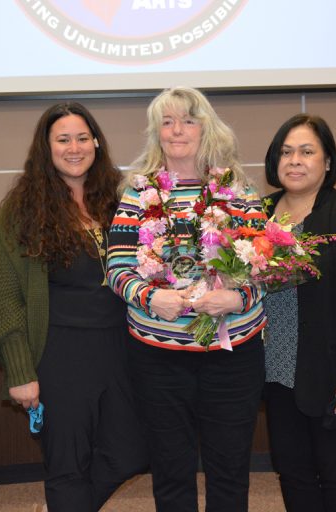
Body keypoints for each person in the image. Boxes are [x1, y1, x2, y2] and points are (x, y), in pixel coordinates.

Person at [106, 86, 267, 512]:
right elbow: (117, 269)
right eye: (168, 122)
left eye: (188, 120)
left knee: (229, 468)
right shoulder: (138, 193)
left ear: (206, 128)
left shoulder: (238, 191)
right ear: (156, 132)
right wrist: (150, 297)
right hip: (158, 358)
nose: (177, 130)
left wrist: (238, 298)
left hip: (232, 357)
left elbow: (267, 267)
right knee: (170, 468)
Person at [0, 102, 148, 511]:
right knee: (67, 465)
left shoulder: (120, 199)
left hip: (120, 349)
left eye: (82, 138)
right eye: (63, 140)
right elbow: (6, 298)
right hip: (58, 354)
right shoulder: (21, 210)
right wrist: (20, 372)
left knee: (131, 451)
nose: (74, 148)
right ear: (46, 148)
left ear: (96, 142)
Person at [262, 113, 336, 512]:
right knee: (291, 471)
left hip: (332, 374)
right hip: (274, 372)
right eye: (286, 152)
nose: (294, 161)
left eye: (306, 152)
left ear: (328, 161)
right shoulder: (258, 215)